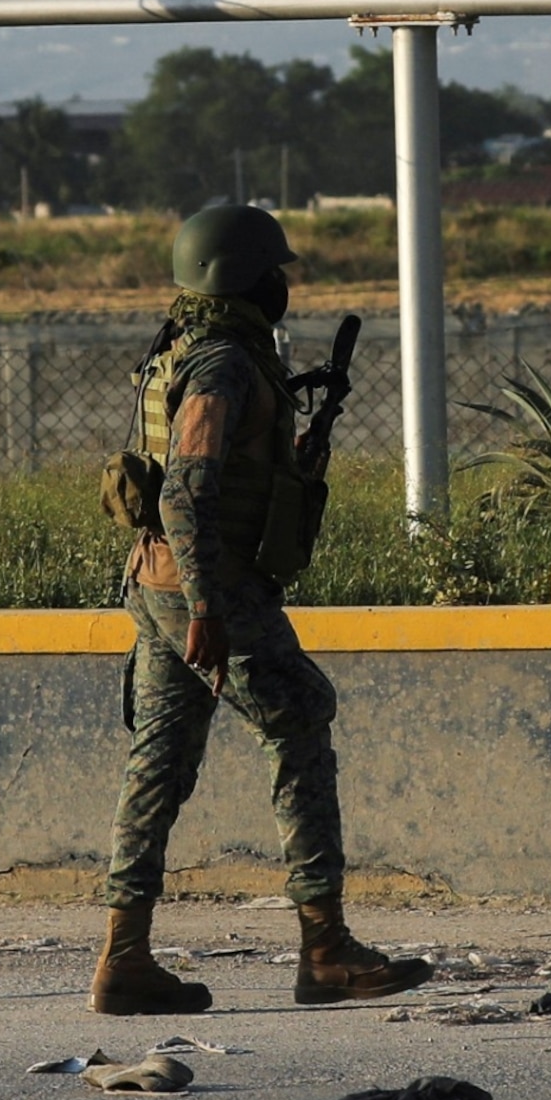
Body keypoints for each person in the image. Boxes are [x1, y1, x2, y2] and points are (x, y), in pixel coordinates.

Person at [89, 202, 433, 1015]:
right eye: (272, 271)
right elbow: (185, 491)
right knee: (301, 715)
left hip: (156, 582)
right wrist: (210, 604)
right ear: (241, 279)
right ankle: (326, 950)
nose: (283, 285)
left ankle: (124, 960)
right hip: (204, 584)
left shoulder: (181, 348)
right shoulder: (223, 367)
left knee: (159, 763)